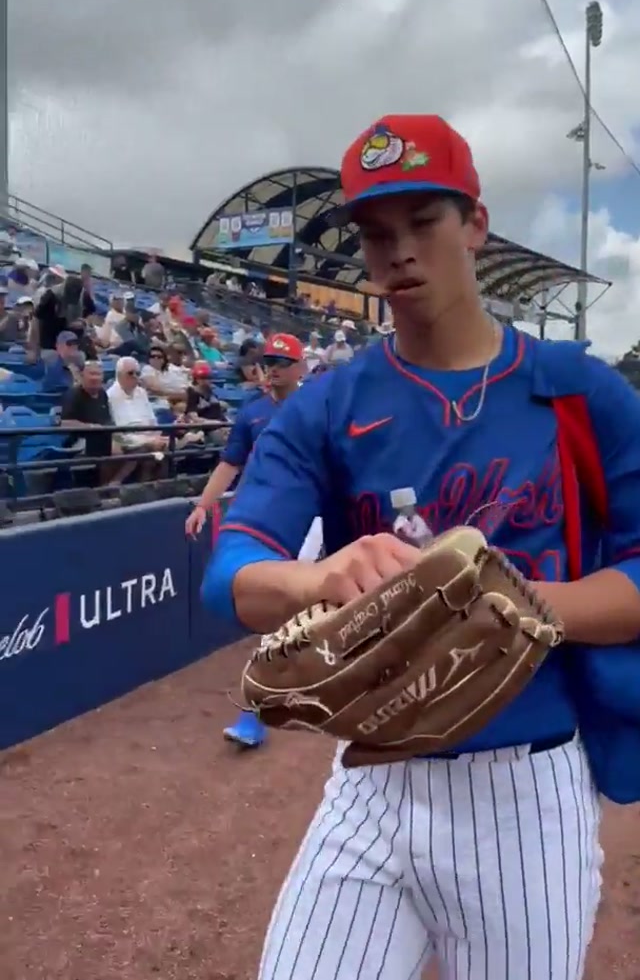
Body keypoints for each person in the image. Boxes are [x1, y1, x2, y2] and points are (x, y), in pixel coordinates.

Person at [202, 113, 640, 980]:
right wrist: (316, 575)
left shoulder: (578, 389)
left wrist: (515, 605)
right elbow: (231, 574)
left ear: (475, 224)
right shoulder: (330, 403)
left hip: (524, 792)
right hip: (370, 783)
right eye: (376, 234)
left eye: (423, 222)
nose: (398, 251)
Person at [187, 332, 324, 750]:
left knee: (304, 613)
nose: (275, 368)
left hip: (316, 518)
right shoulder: (253, 413)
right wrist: (202, 506)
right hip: (267, 522)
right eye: (270, 361)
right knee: (283, 616)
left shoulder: (320, 406)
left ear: (300, 368)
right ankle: (255, 713)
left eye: (283, 361)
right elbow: (230, 465)